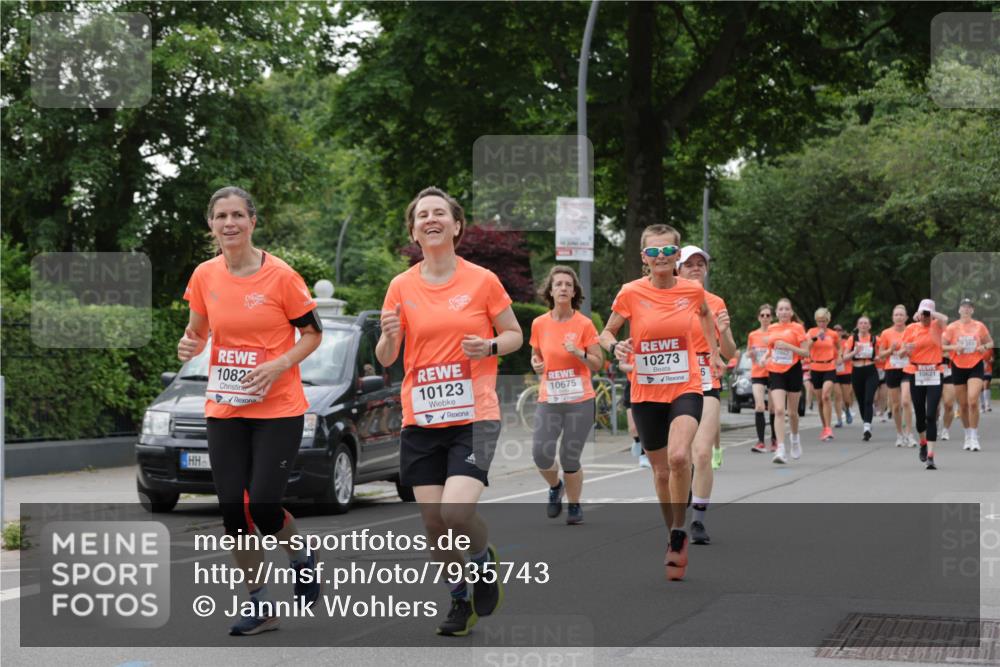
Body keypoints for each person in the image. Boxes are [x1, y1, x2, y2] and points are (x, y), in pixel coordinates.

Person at [376, 186, 523, 636]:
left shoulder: (481, 280)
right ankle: (460, 600)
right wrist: (387, 335)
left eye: (440, 213)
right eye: (423, 215)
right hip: (421, 418)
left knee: (457, 514)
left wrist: (490, 345)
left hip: (474, 412)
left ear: (457, 226)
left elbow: (516, 334)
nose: (431, 219)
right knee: (435, 525)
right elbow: (386, 357)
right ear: (414, 230)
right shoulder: (401, 286)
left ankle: (482, 561)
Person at [178, 186, 323, 636]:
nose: (229, 223)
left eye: (237, 215)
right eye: (221, 216)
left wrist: (277, 364)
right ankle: (259, 604)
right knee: (232, 512)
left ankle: (301, 558)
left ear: (252, 221)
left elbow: (312, 334)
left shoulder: (280, 276)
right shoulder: (204, 275)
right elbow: (197, 331)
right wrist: (189, 344)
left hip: (277, 408)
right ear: (211, 225)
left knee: (262, 505)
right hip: (225, 406)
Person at [600, 224, 722, 581]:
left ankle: (681, 529)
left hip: (685, 386)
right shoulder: (630, 293)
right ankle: (671, 532)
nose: (661, 258)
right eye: (653, 253)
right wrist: (615, 346)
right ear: (644, 258)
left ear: (677, 254)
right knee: (661, 471)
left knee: (680, 456)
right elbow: (606, 331)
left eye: (668, 251)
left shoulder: (692, 290)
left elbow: (704, 314)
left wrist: (713, 353)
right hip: (646, 391)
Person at [528, 266, 602, 524]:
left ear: (574, 292)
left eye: (568, 285)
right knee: (540, 453)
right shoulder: (539, 323)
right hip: (549, 400)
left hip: (579, 400)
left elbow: (597, 363)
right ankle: (555, 486)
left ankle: (574, 505)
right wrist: (536, 364)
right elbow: (536, 355)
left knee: (570, 456)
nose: (562, 288)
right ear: (550, 290)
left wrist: (579, 353)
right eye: (558, 284)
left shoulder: (584, 324)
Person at [676, 245, 737, 546]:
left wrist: (723, 332)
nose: (696, 268)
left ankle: (698, 520)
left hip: (705, 380)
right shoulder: (665, 301)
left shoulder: (715, 302)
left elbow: (730, 351)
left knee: (702, 453)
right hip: (672, 385)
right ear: (678, 269)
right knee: (679, 456)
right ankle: (684, 487)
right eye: (690, 264)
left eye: (701, 263)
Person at [900, 298, 948, 470]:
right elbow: (899, 353)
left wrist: (932, 313)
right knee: (920, 415)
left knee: (931, 415)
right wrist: (906, 350)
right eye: (923, 313)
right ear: (918, 313)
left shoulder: (937, 326)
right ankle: (922, 442)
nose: (925, 317)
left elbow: (945, 319)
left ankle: (930, 456)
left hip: (935, 372)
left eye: (928, 314)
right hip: (916, 372)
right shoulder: (911, 328)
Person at [943, 298, 994, 451]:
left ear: (972, 310)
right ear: (959, 310)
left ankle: (974, 435)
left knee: (973, 400)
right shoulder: (952, 327)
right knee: (963, 405)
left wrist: (983, 346)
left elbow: (991, 342)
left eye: (969, 307)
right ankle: (967, 434)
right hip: (958, 366)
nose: (966, 309)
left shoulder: (979, 326)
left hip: (975, 365)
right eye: (963, 307)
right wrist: (954, 347)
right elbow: (941, 346)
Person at [766, 298, 811, 464]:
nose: (784, 312)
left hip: (793, 370)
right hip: (776, 371)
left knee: (792, 413)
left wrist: (788, 346)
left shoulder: (797, 328)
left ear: (791, 313)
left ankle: (795, 438)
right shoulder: (771, 328)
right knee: (778, 410)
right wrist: (766, 357)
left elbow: (806, 353)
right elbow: (770, 347)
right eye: (781, 309)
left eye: (787, 309)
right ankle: (780, 448)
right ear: (776, 313)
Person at [878, 305, 916, 447]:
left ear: (906, 317)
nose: (899, 317)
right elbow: (881, 356)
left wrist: (908, 351)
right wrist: (891, 349)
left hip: (908, 368)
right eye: (896, 315)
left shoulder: (912, 331)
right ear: (893, 318)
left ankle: (909, 433)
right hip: (892, 369)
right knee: (895, 405)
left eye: (901, 315)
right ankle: (899, 434)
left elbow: (918, 351)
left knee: (906, 401)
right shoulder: (886, 333)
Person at [806, 308, 841, 442]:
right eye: (819, 321)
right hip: (815, 367)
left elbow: (839, 347)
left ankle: (829, 428)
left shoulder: (833, 334)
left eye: (824, 321)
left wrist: (840, 356)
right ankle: (825, 426)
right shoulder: (811, 332)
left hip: (829, 366)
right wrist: (815, 338)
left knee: (826, 395)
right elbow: (806, 347)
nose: (822, 324)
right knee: (820, 400)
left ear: (828, 321)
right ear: (816, 321)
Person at [843, 316, 879, 441]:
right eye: (861, 323)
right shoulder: (852, 339)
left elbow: (881, 355)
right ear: (857, 326)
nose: (863, 325)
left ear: (869, 326)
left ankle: (867, 427)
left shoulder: (875, 339)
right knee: (861, 400)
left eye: (866, 323)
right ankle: (866, 422)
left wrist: (878, 357)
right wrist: (854, 352)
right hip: (857, 371)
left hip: (871, 371)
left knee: (868, 399)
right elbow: (844, 357)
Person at [748, 304, 778, 453]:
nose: (765, 318)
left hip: (773, 372)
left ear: (772, 317)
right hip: (757, 373)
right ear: (758, 317)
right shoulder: (753, 335)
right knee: (759, 406)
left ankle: (774, 439)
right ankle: (760, 442)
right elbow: (749, 352)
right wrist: (751, 355)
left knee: (773, 408)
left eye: (768, 315)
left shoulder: (776, 333)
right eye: (762, 315)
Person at [620, 354, 651, 468]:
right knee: (633, 428)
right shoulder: (629, 344)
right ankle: (637, 441)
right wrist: (636, 368)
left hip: (649, 385)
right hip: (632, 385)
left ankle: (643, 455)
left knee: (646, 425)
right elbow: (622, 366)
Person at [833, 324, 855, 427]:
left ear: (842, 332)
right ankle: (839, 419)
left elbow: (851, 356)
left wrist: (842, 359)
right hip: (833, 372)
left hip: (846, 371)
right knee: (837, 395)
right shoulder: (830, 343)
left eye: (839, 330)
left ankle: (847, 410)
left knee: (846, 398)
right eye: (835, 330)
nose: (837, 332)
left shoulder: (846, 343)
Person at [983, 347, 994, 414]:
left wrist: (992, 359)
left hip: (988, 370)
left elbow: (992, 357)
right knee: (983, 386)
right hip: (979, 370)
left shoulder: (990, 349)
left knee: (987, 385)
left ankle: (987, 405)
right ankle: (984, 405)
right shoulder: (977, 347)